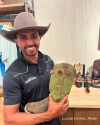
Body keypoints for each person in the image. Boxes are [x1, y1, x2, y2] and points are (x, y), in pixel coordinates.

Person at [0, 12, 69, 125]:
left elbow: (53, 93)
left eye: (34, 36)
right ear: (16, 42)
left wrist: (62, 98)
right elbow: (9, 119)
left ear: (40, 37)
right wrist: (48, 116)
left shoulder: (48, 61)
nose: (30, 42)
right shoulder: (12, 75)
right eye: (23, 38)